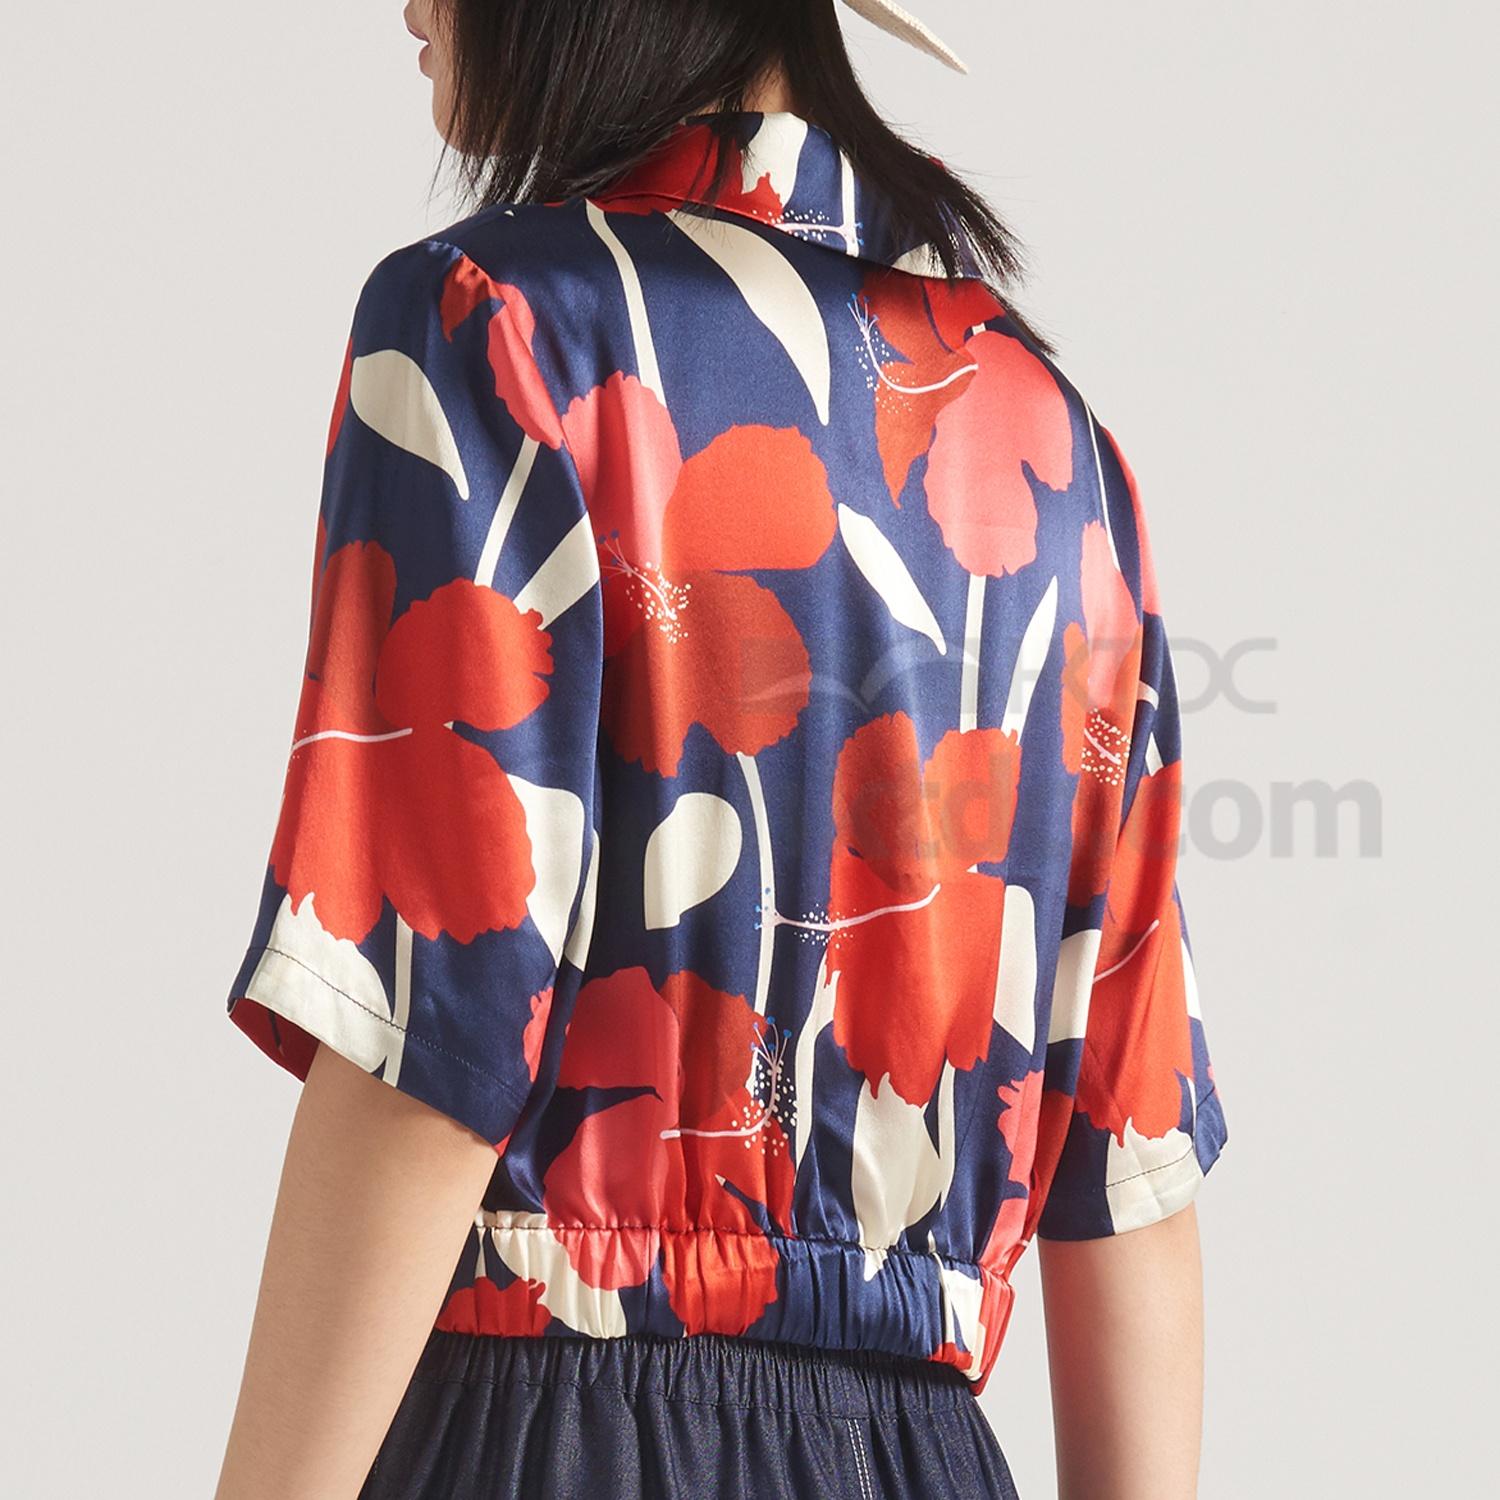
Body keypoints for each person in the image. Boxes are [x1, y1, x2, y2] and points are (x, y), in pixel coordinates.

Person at [212, 2, 1228, 1497]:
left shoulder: (497, 324)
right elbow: (1127, 1157)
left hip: (551, 1437)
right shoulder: (1058, 445)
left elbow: (435, 1021)